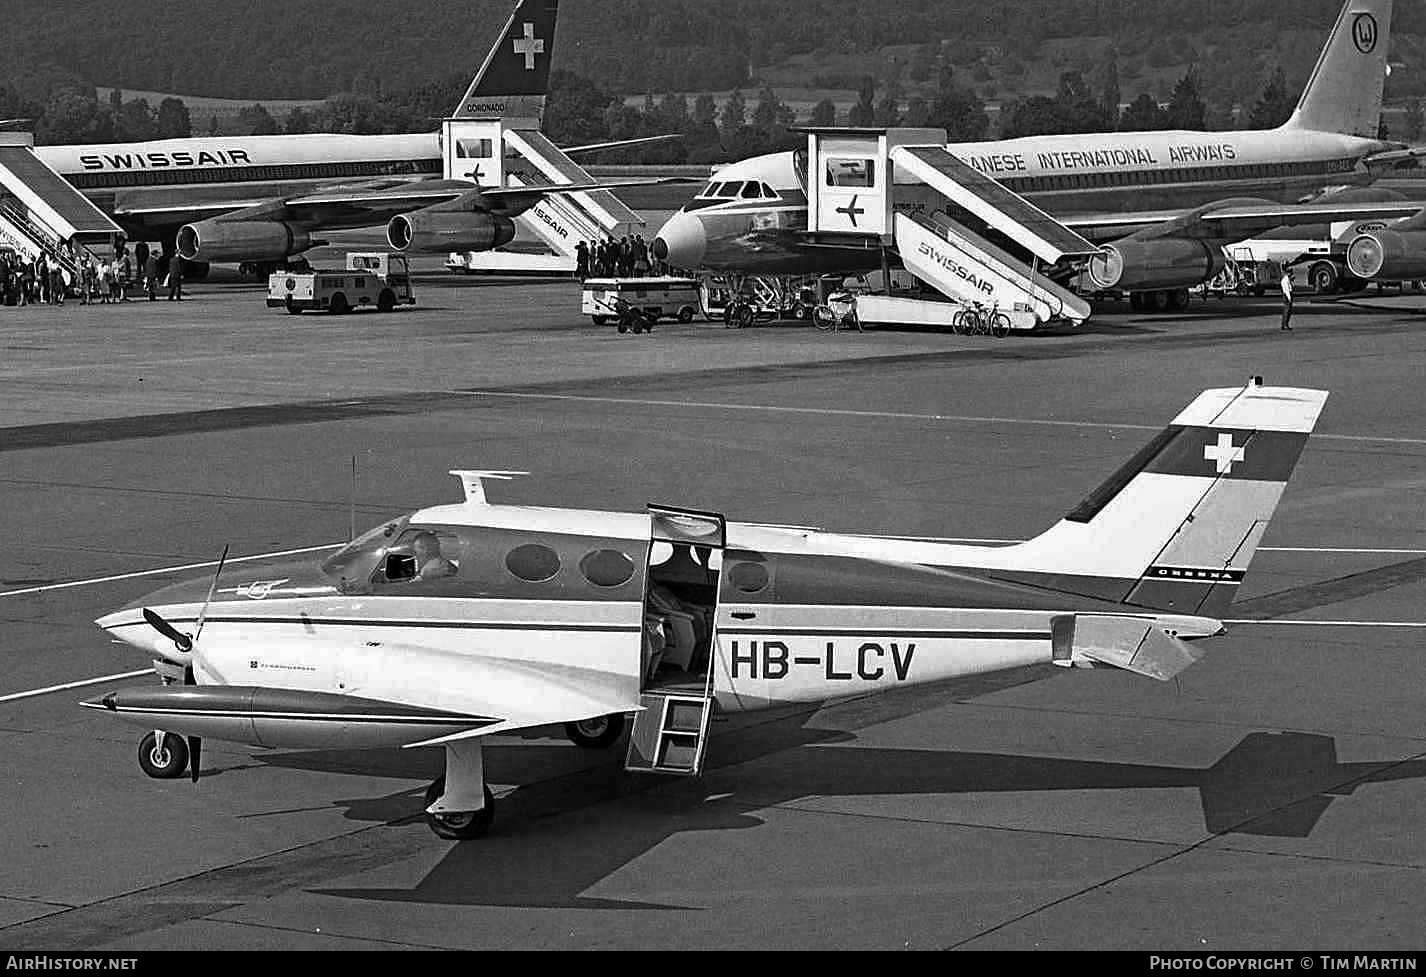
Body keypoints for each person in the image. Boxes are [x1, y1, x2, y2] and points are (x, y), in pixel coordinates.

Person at [1280, 263, 1294, 331]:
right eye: (1291, 273)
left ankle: (1284, 324)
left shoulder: (1287, 279)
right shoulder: (1285, 280)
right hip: (1287, 295)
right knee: (1287, 311)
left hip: (1287, 295)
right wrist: (1289, 298)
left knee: (1287, 311)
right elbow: (1287, 290)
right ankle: (1285, 325)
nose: (1291, 274)